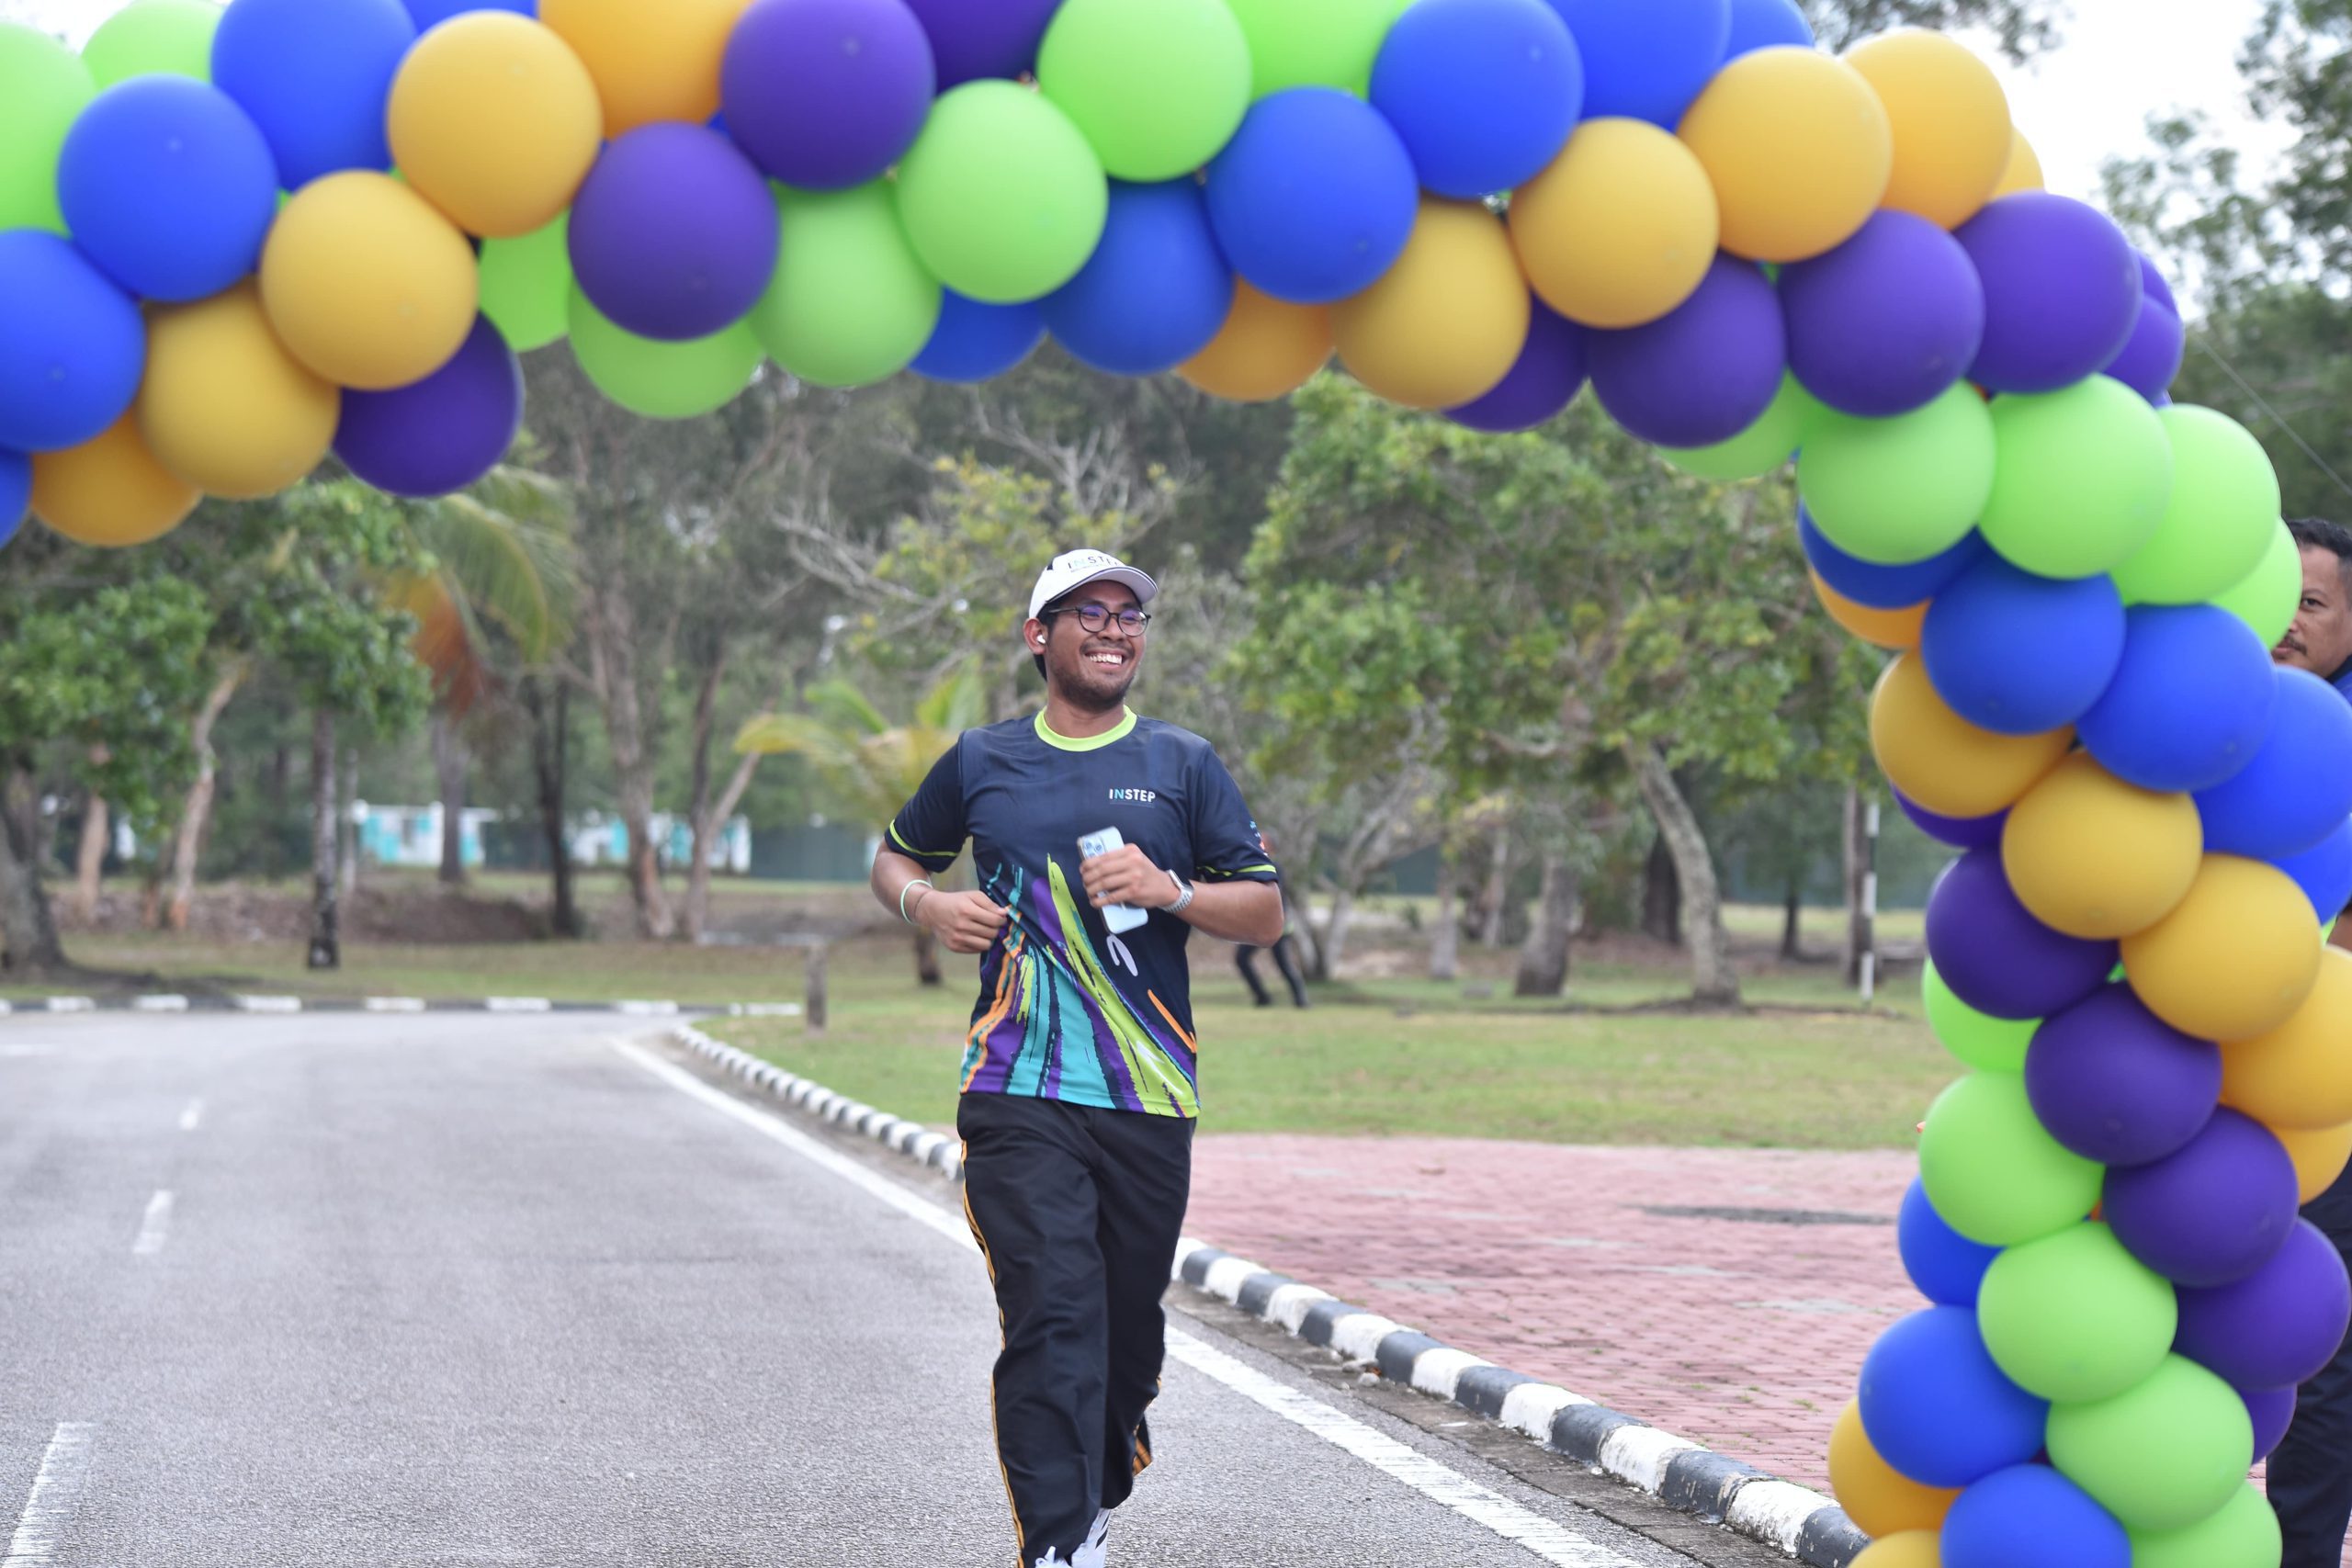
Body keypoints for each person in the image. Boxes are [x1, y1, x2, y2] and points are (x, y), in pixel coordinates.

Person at [869, 548, 1284, 1568]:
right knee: (1053, 1314)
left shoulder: (1182, 763)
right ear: (1038, 636)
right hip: (1017, 1087)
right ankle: (1059, 1550)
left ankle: (1098, 1472)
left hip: (1148, 1098)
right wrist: (927, 903)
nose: (1112, 628)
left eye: (1129, 615)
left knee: (1124, 1345)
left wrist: (1174, 889)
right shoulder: (981, 759)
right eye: (1086, 612)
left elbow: (1265, 910)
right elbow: (892, 857)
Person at [2268, 516, 2352, 1566]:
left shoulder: (2332, 734)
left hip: (2324, 1077)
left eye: (2314, 602)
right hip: (2223, 1071)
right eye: (2274, 590)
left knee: (2319, 1345)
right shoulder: (2216, 715)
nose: (2288, 619)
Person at [1235, 832, 1310, 1009]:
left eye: (1262, 840)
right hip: (1258, 927)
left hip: (1277, 926)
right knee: (1241, 959)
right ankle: (1262, 997)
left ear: (1271, 847)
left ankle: (1301, 1001)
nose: (1257, 842)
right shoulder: (1251, 866)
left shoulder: (1274, 869)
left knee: (1283, 964)